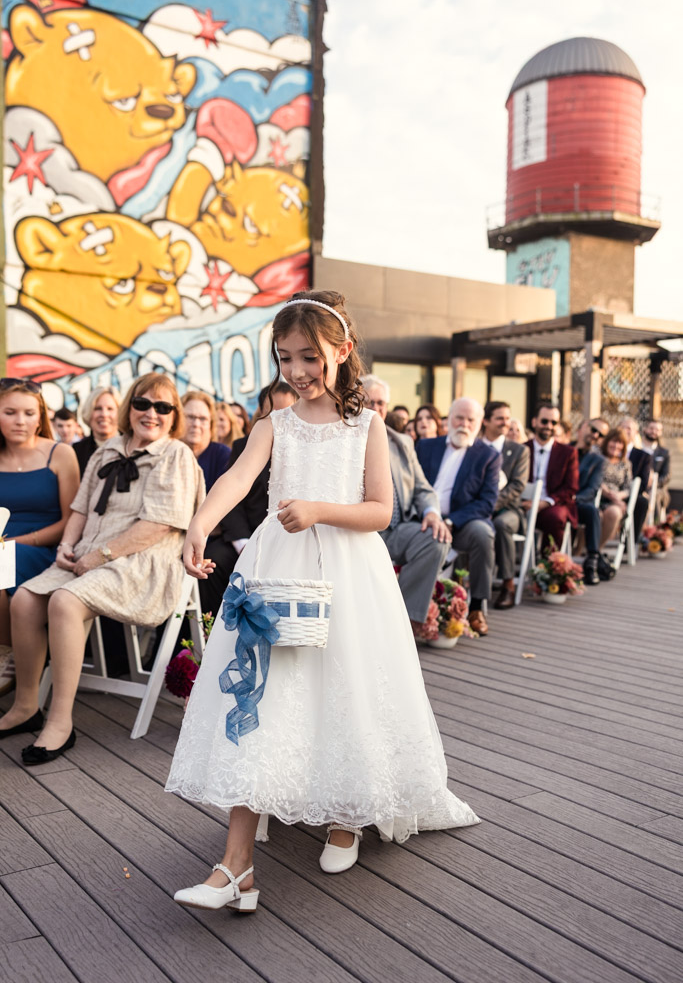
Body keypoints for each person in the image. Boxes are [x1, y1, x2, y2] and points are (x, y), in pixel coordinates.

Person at [166, 290, 478, 912]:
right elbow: (236, 478)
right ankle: (237, 869)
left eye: (309, 357)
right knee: (261, 696)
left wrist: (317, 511)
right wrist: (199, 524)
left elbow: (380, 510)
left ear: (342, 351)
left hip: (348, 575)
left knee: (345, 693)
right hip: (276, 567)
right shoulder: (274, 424)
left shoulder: (367, 426)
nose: (297, 372)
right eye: (285, 359)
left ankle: (346, 816)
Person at [0, 373, 204, 761]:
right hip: (89, 555)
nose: (152, 414)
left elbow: (158, 525)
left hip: (141, 561)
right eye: (143, 404)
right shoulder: (108, 449)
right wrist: (65, 546)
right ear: (130, 407)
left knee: (63, 601)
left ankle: (60, 722)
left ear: (173, 415)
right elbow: (79, 508)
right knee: (24, 599)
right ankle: (26, 705)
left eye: (163, 407)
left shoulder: (175, 454)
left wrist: (99, 556)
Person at [0, 379, 79, 692]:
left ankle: (7, 653)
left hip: (44, 548)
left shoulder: (60, 455)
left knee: (3, 559)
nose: (21, 421)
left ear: (41, 416)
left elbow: (71, 521)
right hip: (3, 547)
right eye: (10, 412)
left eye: (29, 413)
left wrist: (17, 543)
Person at [361, 374, 451, 638]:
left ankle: (404, 622)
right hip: (360, 530)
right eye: (369, 402)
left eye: (380, 403)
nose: (375, 408)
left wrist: (433, 514)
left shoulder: (401, 441)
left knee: (436, 539)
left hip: (397, 527)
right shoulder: (344, 438)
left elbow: (423, 488)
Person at [198, 382, 297, 618]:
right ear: (259, 415)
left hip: (291, 538)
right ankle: (208, 632)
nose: (280, 421)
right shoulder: (243, 446)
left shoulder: (306, 449)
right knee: (213, 563)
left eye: (288, 413)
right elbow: (233, 501)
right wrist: (243, 543)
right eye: (273, 413)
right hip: (247, 536)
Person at [416, 398, 500, 636]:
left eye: (470, 420)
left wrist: (451, 522)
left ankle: (476, 607)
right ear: (448, 418)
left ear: (480, 423)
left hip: (461, 523)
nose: (464, 424)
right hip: (424, 517)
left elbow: (486, 502)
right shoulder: (425, 446)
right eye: (459, 418)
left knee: (483, 534)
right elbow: (411, 486)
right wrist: (429, 514)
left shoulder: (489, 456)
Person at [480, 401, 530, 610]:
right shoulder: (475, 446)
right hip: (478, 508)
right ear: (486, 421)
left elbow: (517, 486)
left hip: (509, 510)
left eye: (507, 418)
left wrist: (490, 506)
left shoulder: (518, 451)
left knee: (501, 525)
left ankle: (508, 584)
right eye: (500, 418)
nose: (505, 423)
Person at [525, 403, 578, 550]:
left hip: (552, 504)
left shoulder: (568, 453)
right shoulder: (523, 448)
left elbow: (571, 487)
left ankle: (549, 565)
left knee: (555, 518)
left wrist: (545, 502)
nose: (548, 426)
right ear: (534, 422)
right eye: (544, 421)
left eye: (553, 422)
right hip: (524, 503)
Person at [573, 418, 608, 585]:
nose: (595, 435)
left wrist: (574, 499)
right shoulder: (564, 449)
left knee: (592, 511)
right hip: (556, 500)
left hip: (578, 502)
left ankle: (591, 562)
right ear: (582, 426)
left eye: (600, 435)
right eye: (593, 429)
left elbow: (593, 489)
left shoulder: (598, 460)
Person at [181, 391, 231, 491]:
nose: (196, 424)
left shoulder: (223, 455)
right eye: (190, 417)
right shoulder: (167, 453)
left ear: (211, 424)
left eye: (203, 419)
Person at [73, 387, 122, 476]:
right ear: (88, 412)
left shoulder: (133, 447)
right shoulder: (76, 452)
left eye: (110, 409)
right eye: (98, 408)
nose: (104, 414)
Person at [618, 417, 652, 541]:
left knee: (642, 502)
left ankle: (631, 542)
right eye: (623, 427)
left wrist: (624, 494)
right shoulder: (609, 449)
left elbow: (643, 483)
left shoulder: (644, 456)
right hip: (609, 492)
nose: (625, 431)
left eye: (629, 428)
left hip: (630, 494)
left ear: (635, 433)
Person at [599, 428, 632, 549]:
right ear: (607, 441)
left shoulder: (625, 463)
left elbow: (628, 488)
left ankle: (597, 550)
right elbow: (595, 480)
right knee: (596, 515)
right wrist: (608, 493)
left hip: (615, 501)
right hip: (597, 497)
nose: (616, 445)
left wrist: (618, 496)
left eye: (620, 442)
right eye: (613, 441)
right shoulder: (598, 458)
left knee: (614, 513)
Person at [641, 419, 671, 519]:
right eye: (651, 428)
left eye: (657, 430)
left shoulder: (664, 452)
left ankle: (655, 530)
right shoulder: (637, 448)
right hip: (638, 486)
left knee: (654, 495)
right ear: (645, 429)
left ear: (661, 432)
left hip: (658, 489)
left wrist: (652, 485)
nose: (654, 431)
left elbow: (667, 476)